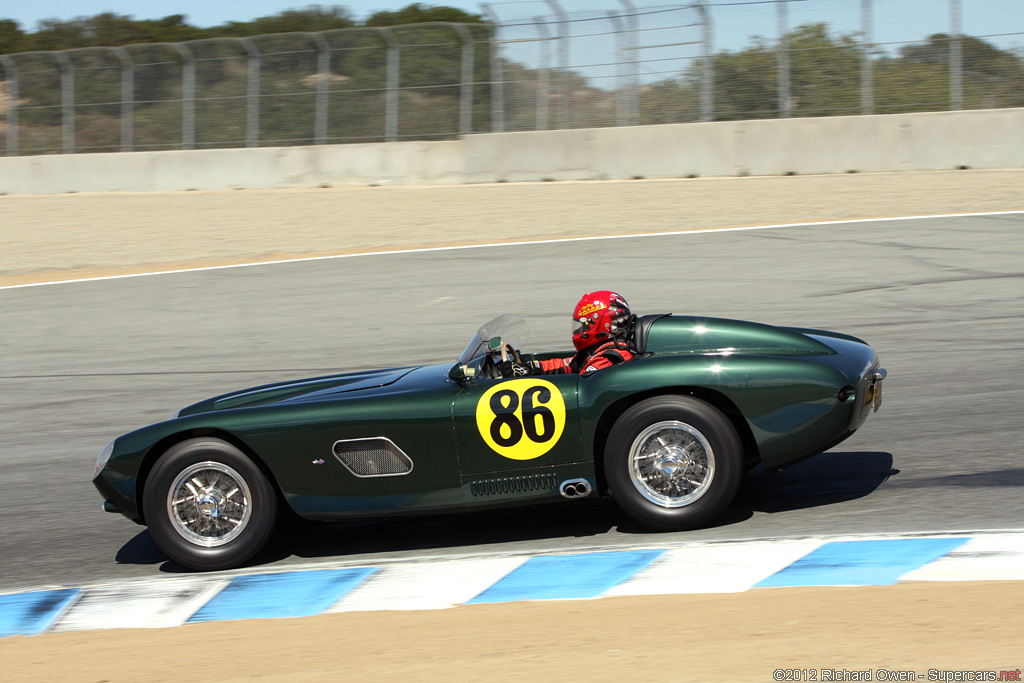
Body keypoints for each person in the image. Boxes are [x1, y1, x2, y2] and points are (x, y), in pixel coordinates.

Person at [499, 291, 636, 377]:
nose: (579, 331)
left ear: (602, 324)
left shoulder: (609, 358)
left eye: (584, 326)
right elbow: (567, 365)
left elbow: (578, 385)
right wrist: (529, 368)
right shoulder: (602, 351)